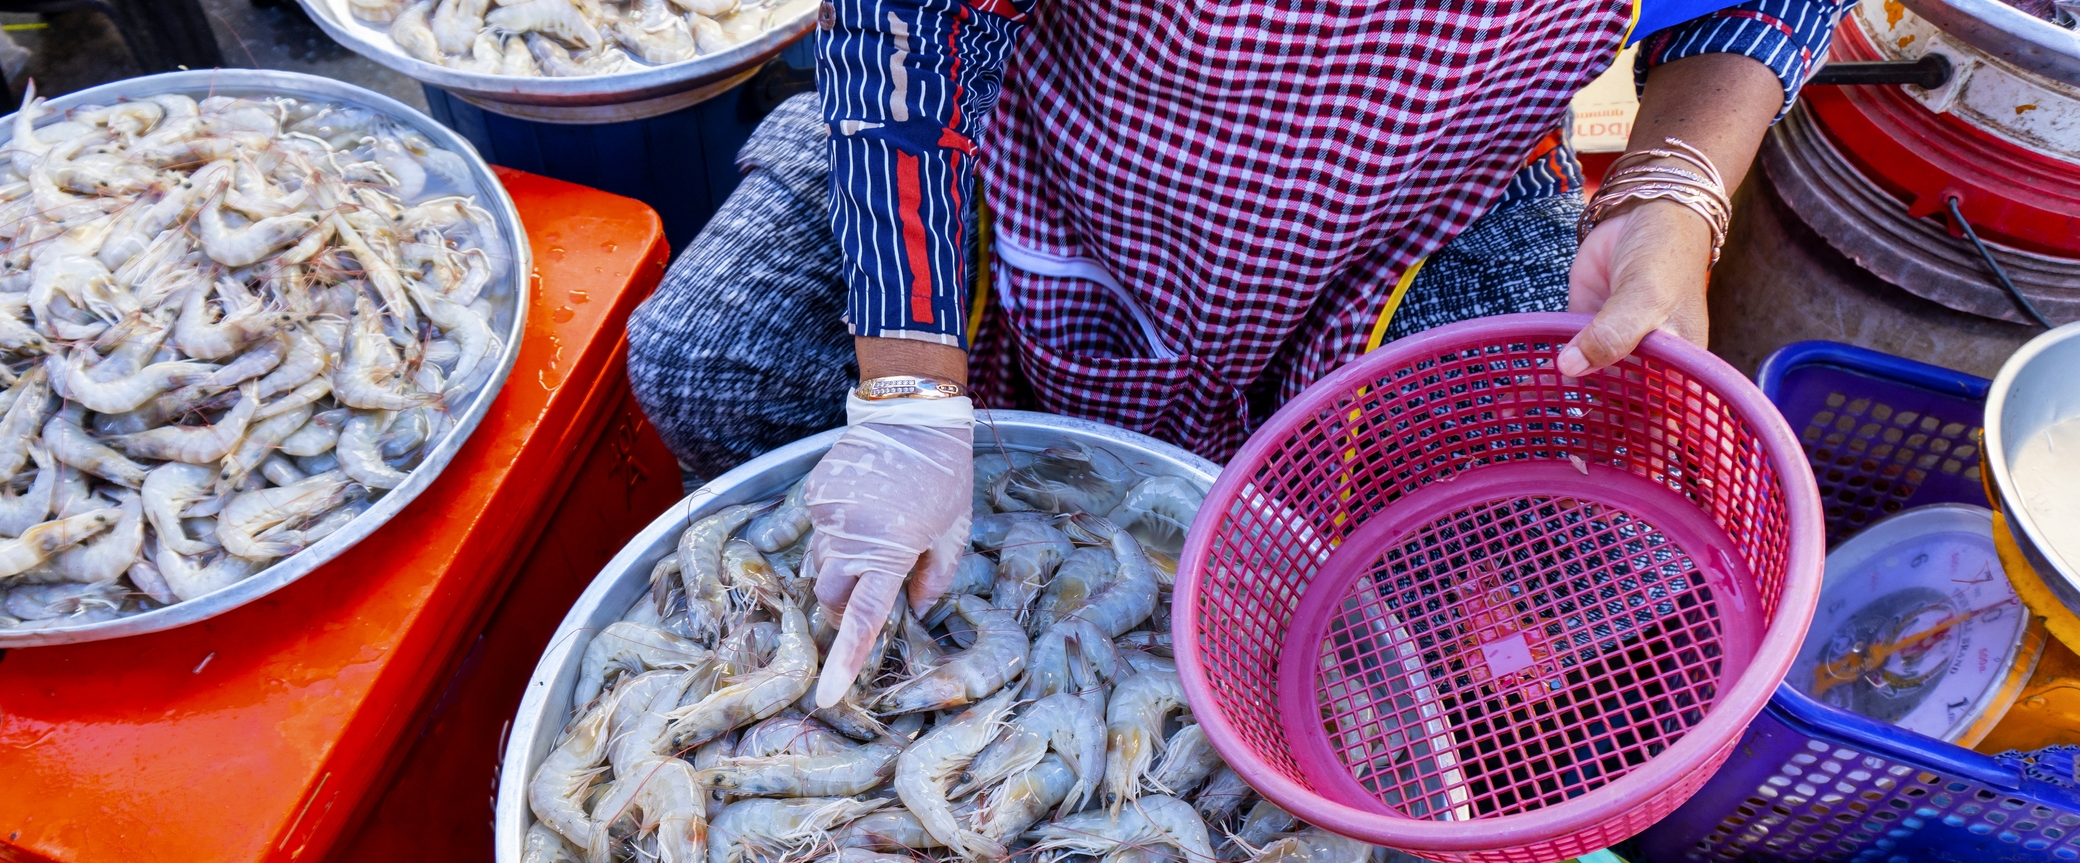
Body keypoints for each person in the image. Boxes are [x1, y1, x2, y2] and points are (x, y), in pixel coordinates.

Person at [630, 0, 1844, 705]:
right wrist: (904, 394)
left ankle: (1295, 686)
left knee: (1596, 551)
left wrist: (1672, 196)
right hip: (1041, 173)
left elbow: (1755, 5)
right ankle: (850, 625)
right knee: (715, 356)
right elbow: (906, 32)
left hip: (1413, 217)